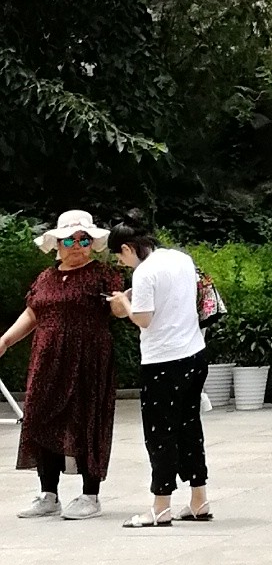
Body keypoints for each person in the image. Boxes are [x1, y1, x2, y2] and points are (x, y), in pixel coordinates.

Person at [2, 210, 118, 518]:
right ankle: (48, 493)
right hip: (47, 358)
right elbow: (33, 313)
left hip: (88, 359)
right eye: (70, 239)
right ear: (57, 243)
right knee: (41, 418)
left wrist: (124, 304)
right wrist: (4, 341)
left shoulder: (102, 274)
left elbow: (118, 309)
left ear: (93, 243)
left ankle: (90, 495)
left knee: (85, 419)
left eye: (84, 239)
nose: (77, 245)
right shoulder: (46, 278)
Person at [108, 215, 212, 527]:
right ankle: (199, 499)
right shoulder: (180, 258)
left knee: (160, 433)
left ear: (127, 248)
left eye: (119, 256)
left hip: (162, 362)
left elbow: (143, 319)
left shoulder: (144, 273)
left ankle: (161, 504)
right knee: (189, 426)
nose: (122, 263)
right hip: (194, 354)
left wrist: (123, 304)